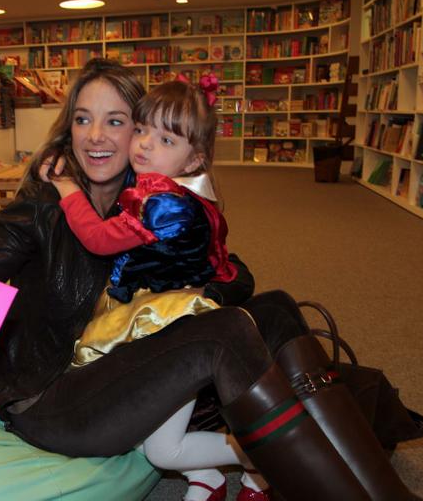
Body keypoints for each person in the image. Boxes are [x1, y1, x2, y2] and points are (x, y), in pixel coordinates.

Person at [0, 58, 419, 501]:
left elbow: (233, 271)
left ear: (141, 132)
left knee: (273, 306)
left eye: (115, 120)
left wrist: (192, 295)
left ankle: (373, 487)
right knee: (225, 334)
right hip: (56, 398)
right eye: (82, 119)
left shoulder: (152, 197)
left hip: (122, 367)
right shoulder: (40, 206)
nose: (95, 137)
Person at [39, 80, 271, 500]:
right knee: (150, 434)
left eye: (165, 139)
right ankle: (210, 478)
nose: (144, 144)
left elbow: (100, 240)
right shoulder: (170, 190)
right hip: (164, 316)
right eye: (142, 129)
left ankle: (257, 457)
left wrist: (67, 189)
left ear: (194, 158)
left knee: (162, 449)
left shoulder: (165, 203)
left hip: (172, 323)